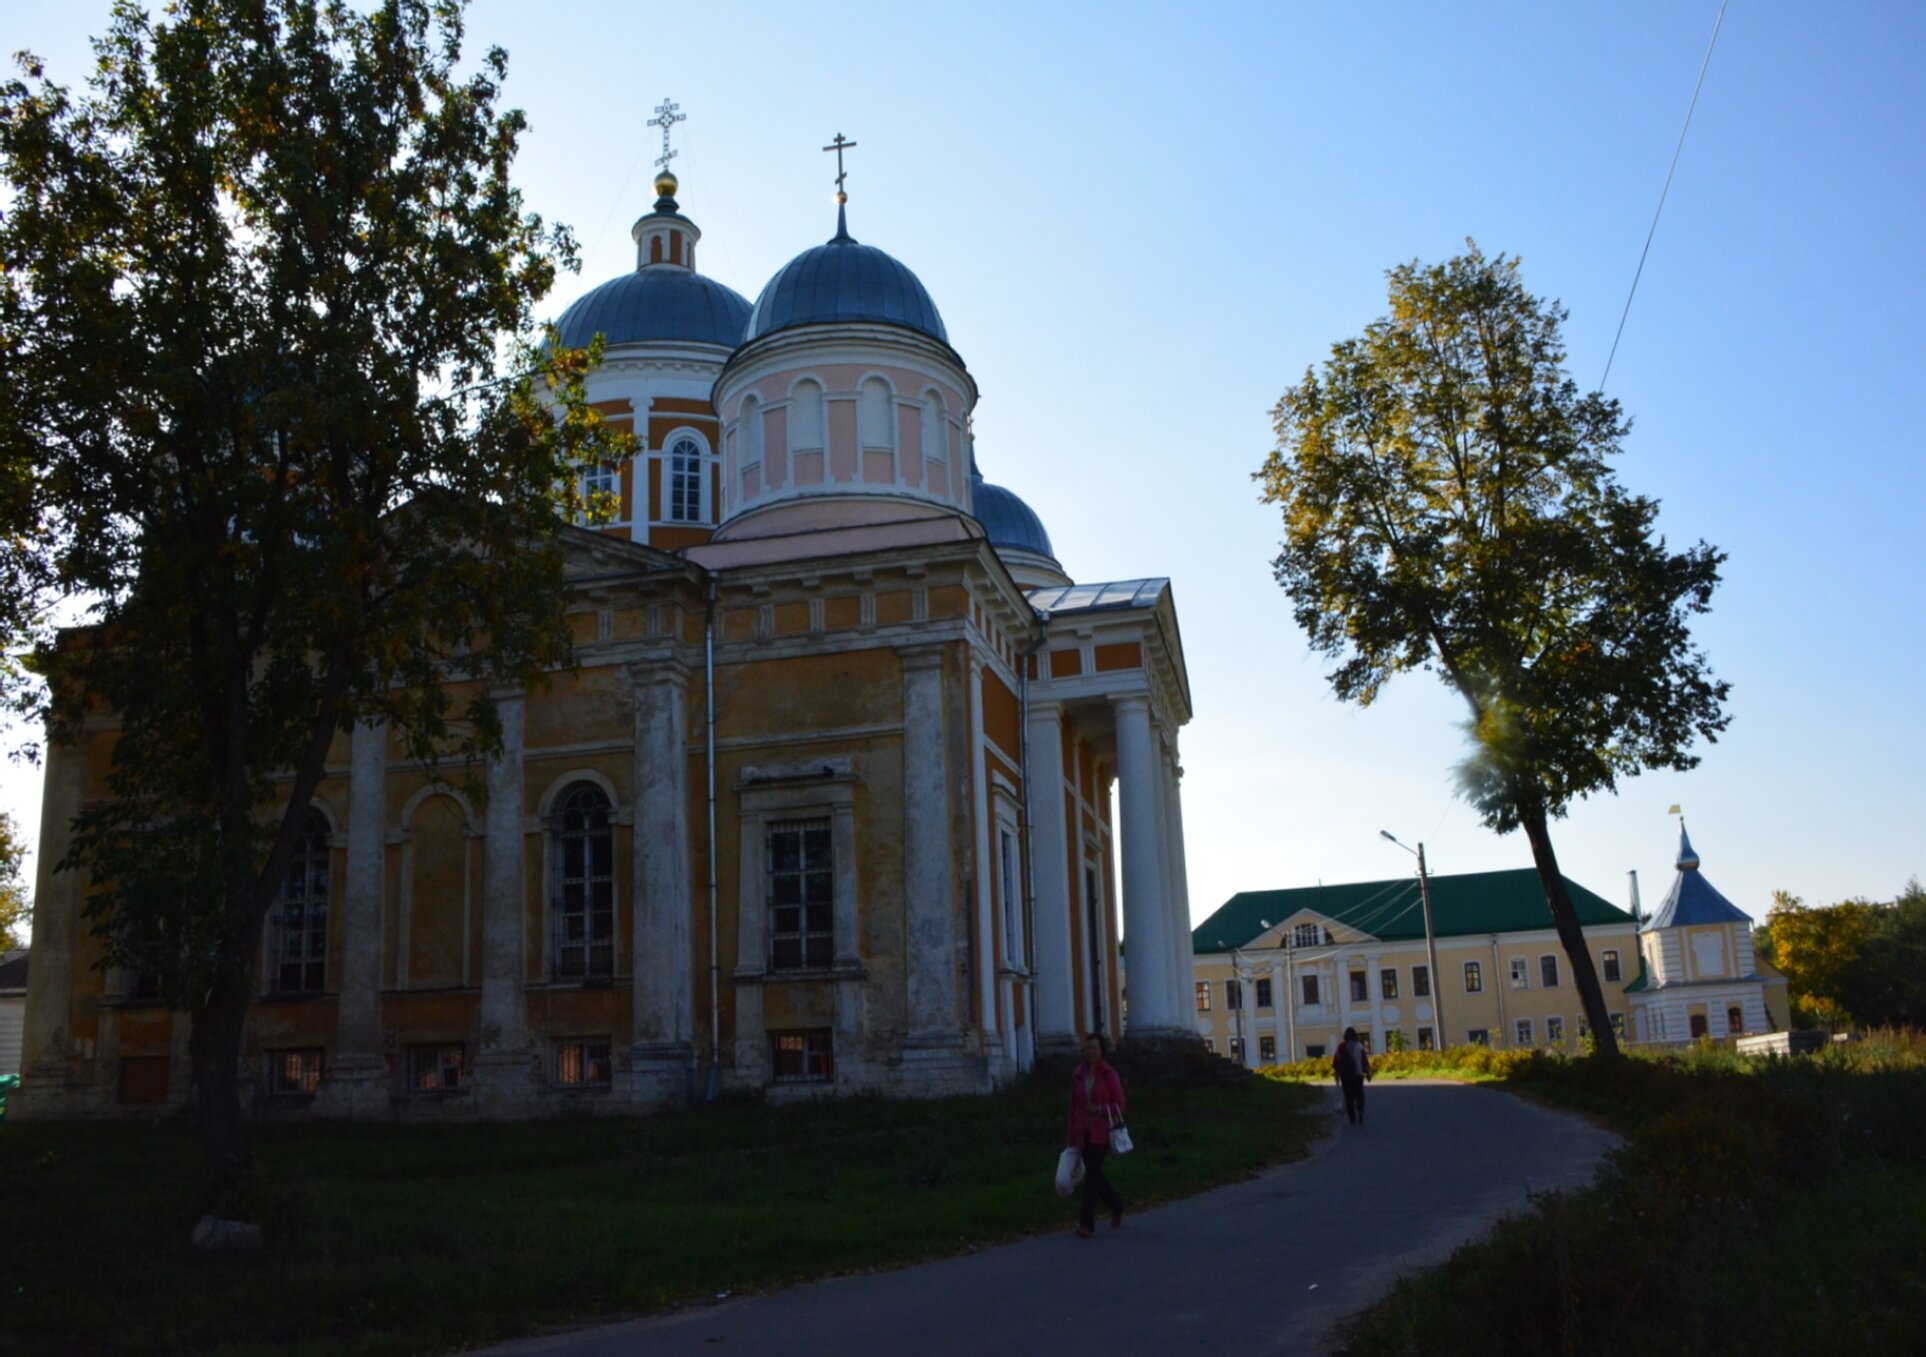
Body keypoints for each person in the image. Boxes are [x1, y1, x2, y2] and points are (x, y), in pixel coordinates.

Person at [1065, 1032, 1126, 1238]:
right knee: (1095, 1176)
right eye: (1088, 1047)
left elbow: (1119, 1105)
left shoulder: (1110, 1075)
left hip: (1102, 1133)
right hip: (1083, 1132)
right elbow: (1073, 1106)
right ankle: (1117, 1205)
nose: (1090, 1051)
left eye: (1094, 1048)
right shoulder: (1079, 1074)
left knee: (1092, 1178)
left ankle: (1086, 1225)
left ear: (1102, 1051)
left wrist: (1099, 1109)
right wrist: (1071, 1133)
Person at [1333, 1026, 1373, 1125]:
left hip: (1345, 1077)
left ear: (1345, 1036)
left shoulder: (1340, 1047)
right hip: (1357, 1075)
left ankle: (1352, 1118)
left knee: (1348, 1097)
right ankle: (1360, 1110)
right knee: (1359, 1095)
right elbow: (1364, 1061)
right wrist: (1368, 1073)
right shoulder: (1359, 1046)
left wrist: (1337, 1076)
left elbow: (1336, 1063)